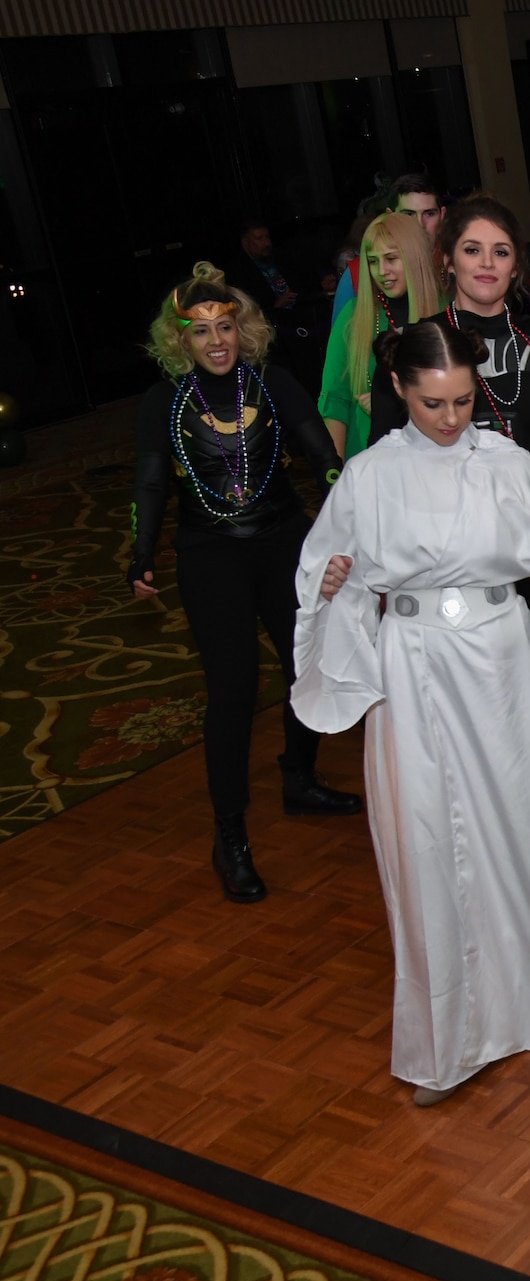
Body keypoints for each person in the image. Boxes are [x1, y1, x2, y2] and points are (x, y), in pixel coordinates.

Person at [294, 318, 530, 1108]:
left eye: (465, 401)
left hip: (501, 662)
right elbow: (319, 578)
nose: (450, 418)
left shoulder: (504, 463)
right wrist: (333, 588)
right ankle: (450, 1042)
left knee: (523, 824)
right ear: (400, 390)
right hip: (411, 670)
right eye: (432, 402)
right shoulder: (366, 477)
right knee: (427, 843)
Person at [369, 196, 530, 863]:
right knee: (480, 703)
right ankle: (492, 830)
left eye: (501, 252)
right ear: (447, 259)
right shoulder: (418, 344)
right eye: (473, 249)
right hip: (451, 560)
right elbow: (381, 461)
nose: (486, 263)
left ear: (517, 268)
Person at [129, 264, 361, 904]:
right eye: (200, 332)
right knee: (232, 691)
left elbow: (324, 458)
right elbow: (150, 482)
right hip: (209, 556)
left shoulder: (273, 381)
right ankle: (229, 837)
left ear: (243, 328)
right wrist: (141, 553)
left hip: (283, 542)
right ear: (182, 342)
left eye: (224, 326)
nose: (215, 340)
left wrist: (348, 516)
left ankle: (299, 776)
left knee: (303, 667)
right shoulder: (165, 403)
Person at [319, 212, 444, 458]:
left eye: (391, 258)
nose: (381, 271)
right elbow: (334, 400)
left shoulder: (447, 310)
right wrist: (333, 473)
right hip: (369, 456)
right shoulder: (353, 316)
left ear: (413, 257)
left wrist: (387, 403)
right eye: (373, 261)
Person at [330, 173, 441, 330]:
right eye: (408, 214)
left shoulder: (455, 269)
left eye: (429, 214)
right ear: (390, 216)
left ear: (442, 215)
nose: (419, 224)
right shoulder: (356, 275)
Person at [232, 219, 310, 385]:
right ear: (246, 243)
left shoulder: (280, 259)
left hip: (296, 325)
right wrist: (274, 305)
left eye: (267, 237)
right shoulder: (239, 271)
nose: (266, 243)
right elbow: (243, 308)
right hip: (268, 334)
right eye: (259, 239)